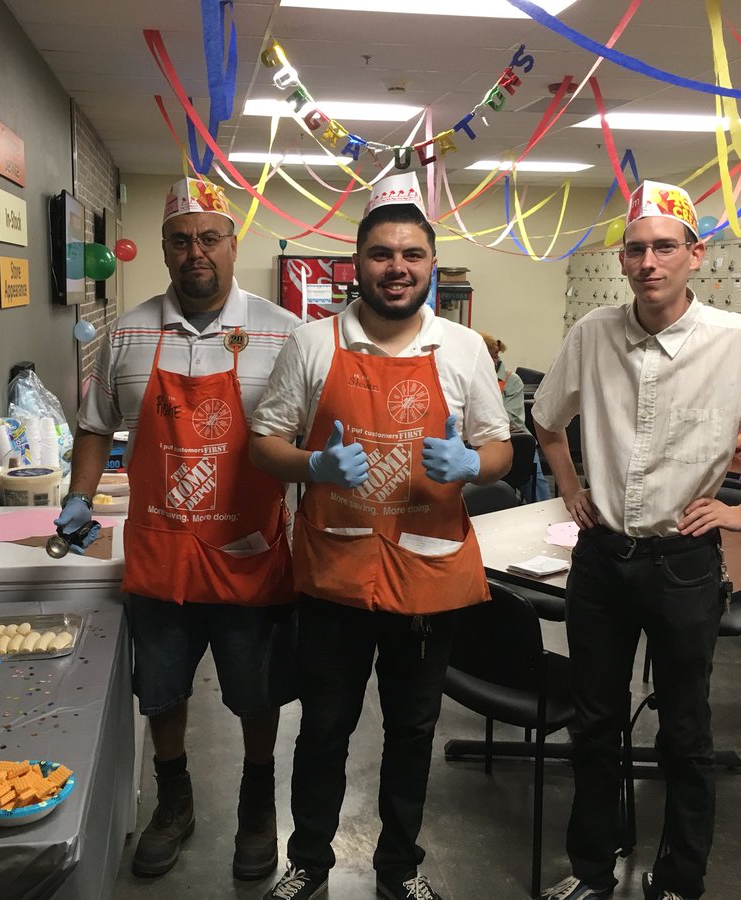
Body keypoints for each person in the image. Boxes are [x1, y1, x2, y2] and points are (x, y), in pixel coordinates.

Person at [532, 181, 741, 900]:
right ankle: (590, 871)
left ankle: (679, 878)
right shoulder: (591, 336)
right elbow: (547, 421)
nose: (649, 262)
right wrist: (571, 487)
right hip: (604, 561)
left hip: (682, 566)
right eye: (636, 249)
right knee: (594, 724)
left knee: (685, 731)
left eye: (664, 247)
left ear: (694, 255)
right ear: (622, 259)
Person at [250, 172, 512, 900]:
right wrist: (312, 463)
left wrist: (473, 465)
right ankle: (308, 862)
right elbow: (262, 442)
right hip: (335, 568)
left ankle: (399, 871)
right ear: (357, 262)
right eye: (381, 253)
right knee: (325, 729)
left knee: (412, 732)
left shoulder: (464, 348)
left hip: (428, 574)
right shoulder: (311, 343)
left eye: (412, 254)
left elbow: (501, 447)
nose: (397, 268)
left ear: (431, 263)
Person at [55, 176, 300, 881]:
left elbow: (305, 434)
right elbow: (96, 425)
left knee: (257, 695)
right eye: (182, 239)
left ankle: (258, 809)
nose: (197, 252)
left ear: (232, 243)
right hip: (161, 554)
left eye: (210, 238)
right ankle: (174, 803)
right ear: (164, 249)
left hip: (249, 552)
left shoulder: (283, 332)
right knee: (159, 691)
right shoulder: (126, 332)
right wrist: (78, 495)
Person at [481, 331, 552, 501]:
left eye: (494, 355)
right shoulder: (469, 378)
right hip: (482, 442)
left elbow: (513, 421)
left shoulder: (512, 381)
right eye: (486, 355)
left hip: (515, 440)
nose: (492, 360)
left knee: (537, 486)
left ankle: (543, 512)